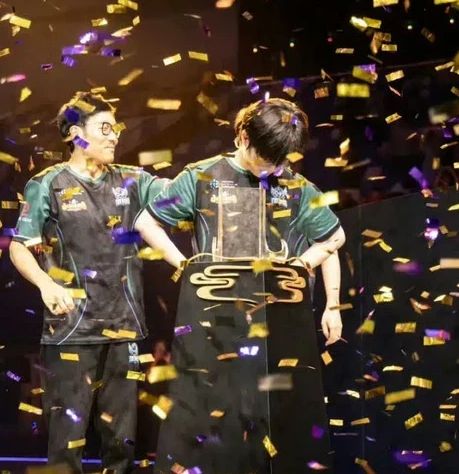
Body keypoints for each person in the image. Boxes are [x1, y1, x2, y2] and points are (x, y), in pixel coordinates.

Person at [9, 91, 164, 474]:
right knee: (66, 432)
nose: (114, 136)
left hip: (124, 326)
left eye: (116, 128)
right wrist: (44, 283)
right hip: (69, 329)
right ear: (76, 135)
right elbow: (19, 246)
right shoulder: (48, 184)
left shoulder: (133, 181)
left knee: (122, 435)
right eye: (104, 128)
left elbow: (182, 193)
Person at [134, 97, 346, 345]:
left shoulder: (297, 187)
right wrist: (186, 266)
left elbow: (332, 239)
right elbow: (146, 222)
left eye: (280, 163)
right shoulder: (201, 177)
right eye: (265, 161)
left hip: (284, 318)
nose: (272, 170)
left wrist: (329, 301)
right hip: (216, 317)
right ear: (245, 138)